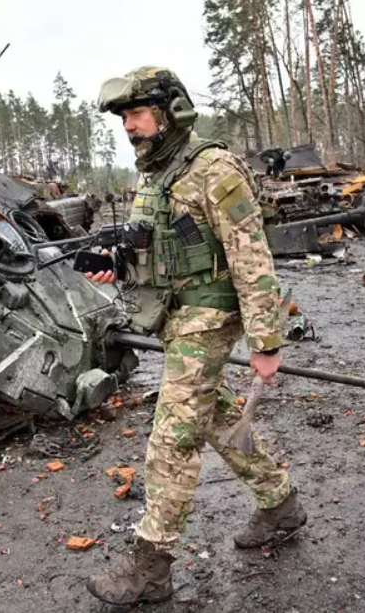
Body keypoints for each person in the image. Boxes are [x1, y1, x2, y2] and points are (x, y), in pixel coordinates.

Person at [84, 66, 307, 606]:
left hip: (208, 314)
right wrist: (116, 262)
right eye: (124, 118)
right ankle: (280, 504)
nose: (129, 126)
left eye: (136, 114)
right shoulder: (154, 173)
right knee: (214, 415)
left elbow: (252, 256)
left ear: (168, 112)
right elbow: (157, 246)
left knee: (173, 436)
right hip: (175, 313)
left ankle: (150, 566)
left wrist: (266, 342)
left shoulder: (213, 167)